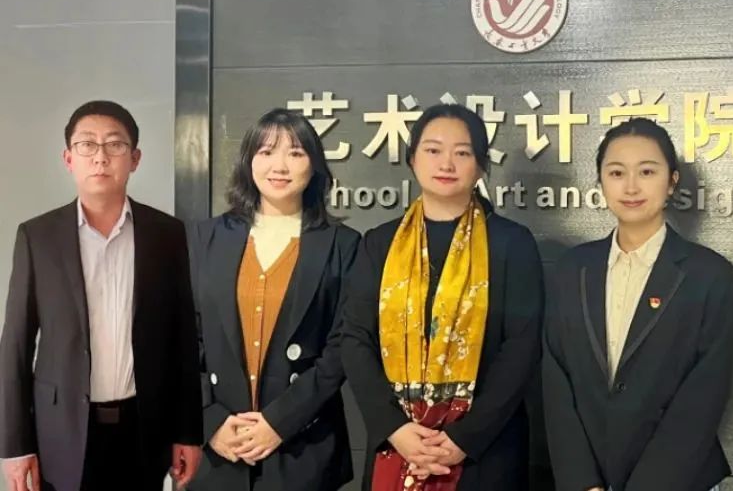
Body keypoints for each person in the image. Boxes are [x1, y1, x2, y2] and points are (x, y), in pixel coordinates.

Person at [0, 100, 202, 491]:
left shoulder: (166, 234)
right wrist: (15, 445)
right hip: (61, 432)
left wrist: (188, 432)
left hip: (144, 428)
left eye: (115, 144)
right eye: (87, 145)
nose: (100, 157)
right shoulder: (38, 237)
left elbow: (183, 341)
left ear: (135, 158)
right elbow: (15, 345)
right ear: (68, 158)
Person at [341, 103, 543, 491]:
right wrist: (395, 428)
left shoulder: (511, 244)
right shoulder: (379, 244)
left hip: (484, 450)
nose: (446, 163)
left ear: (480, 166)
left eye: (462, 153)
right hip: (397, 443)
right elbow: (354, 339)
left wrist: (463, 438)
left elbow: (521, 348)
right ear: (412, 159)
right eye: (433, 150)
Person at [543, 117, 733, 491]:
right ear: (601, 182)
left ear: (672, 181)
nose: (631, 186)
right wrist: (583, 482)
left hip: (678, 480)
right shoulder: (572, 269)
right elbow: (555, 380)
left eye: (647, 171)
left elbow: (704, 395)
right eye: (617, 173)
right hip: (590, 479)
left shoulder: (708, 274)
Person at [187, 108, 359, 490]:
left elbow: (342, 346)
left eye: (295, 153)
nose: (279, 166)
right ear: (249, 160)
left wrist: (279, 422)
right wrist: (211, 421)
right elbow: (183, 339)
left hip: (303, 448)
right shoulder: (206, 238)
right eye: (266, 152)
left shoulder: (342, 245)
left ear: (314, 165)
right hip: (220, 451)